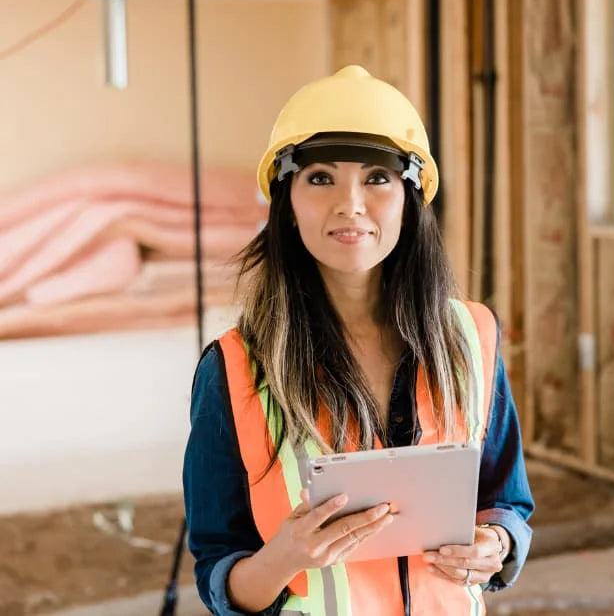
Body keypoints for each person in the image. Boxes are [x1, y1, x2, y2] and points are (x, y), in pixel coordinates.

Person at [182, 65, 534, 615]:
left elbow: (506, 501)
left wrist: (497, 545)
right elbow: (220, 578)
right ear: (288, 203)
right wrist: (286, 555)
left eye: (377, 177)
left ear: (410, 199)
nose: (350, 204)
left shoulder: (472, 336)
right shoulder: (235, 367)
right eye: (320, 177)